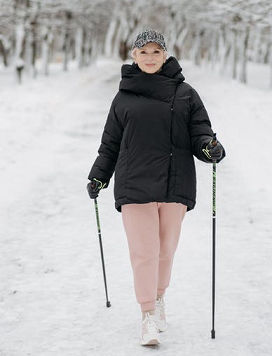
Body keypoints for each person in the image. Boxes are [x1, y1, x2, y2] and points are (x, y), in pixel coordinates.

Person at [87, 28, 225, 346]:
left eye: (156, 52)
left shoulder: (186, 94)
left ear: (165, 55)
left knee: (165, 251)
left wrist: (209, 148)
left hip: (175, 184)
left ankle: (159, 297)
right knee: (144, 253)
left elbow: (201, 132)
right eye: (143, 52)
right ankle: (147, 314)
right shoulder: (123, 98)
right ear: (134, 56)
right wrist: (98, 176)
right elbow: (109, 145)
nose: (150, 57)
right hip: (134, 184)